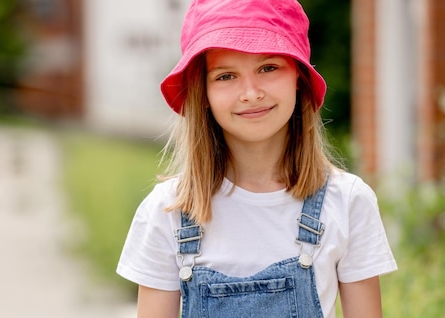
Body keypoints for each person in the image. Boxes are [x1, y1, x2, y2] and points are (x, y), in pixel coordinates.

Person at [116, 0, 398, 317]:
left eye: (268, 68)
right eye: (225, 76)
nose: (250, 92)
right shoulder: (167, 212)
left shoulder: (347, 203)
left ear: (299, 78)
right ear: (203, 93)